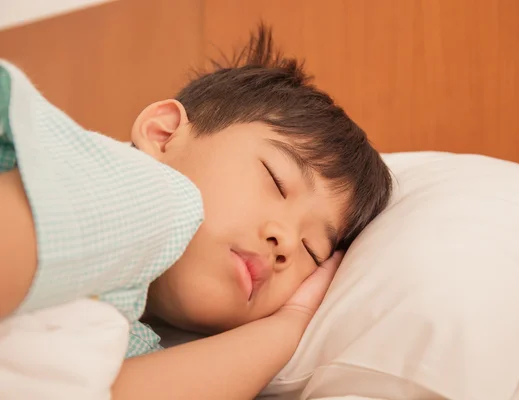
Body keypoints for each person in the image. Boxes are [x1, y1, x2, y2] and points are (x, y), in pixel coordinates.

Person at [0, 24, 392, 398]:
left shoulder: (128, 330)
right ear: (164, 135)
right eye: (276, 180)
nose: (286, 241)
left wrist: (289, 326)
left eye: (311, 251)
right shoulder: (140, 191)